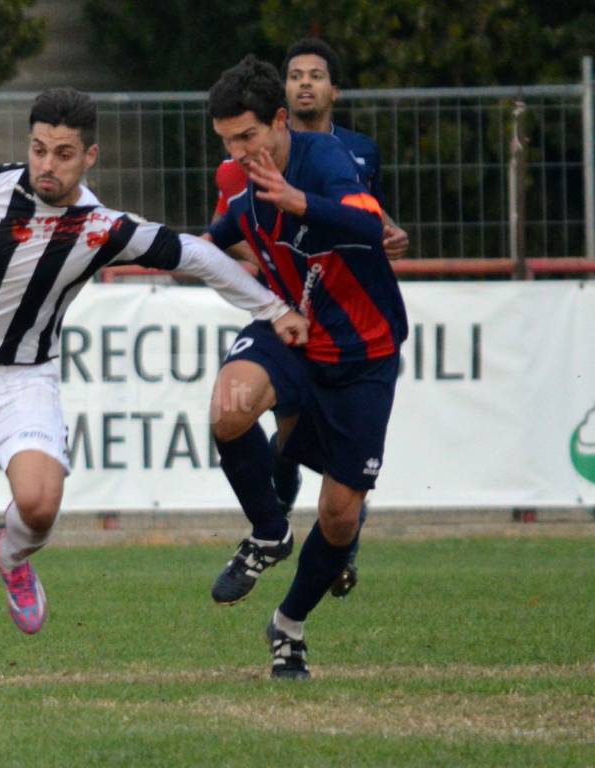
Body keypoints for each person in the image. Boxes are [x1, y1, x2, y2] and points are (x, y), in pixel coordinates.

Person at [0, 86, 308, 688]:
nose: (48, 164)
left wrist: (274, 306)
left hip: (23, 381)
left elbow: (197, 256)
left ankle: (12, 556)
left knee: (41, 503)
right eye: (40, 149)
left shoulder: (100, 228)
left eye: (64, 153)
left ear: (89, 157)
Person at [205, 56, 408, 678]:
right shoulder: (241, 187)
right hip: (292, 329)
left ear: (279, 120)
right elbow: (215, 239)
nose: (239, 152)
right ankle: (269, 531)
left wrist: (299, 202)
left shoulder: (322, 160)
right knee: (229, 411)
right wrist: (268, 298)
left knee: (339, 513)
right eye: (227, 141)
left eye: (248, 136)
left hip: (362, 350)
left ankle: (288, 626)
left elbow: (369, 224)